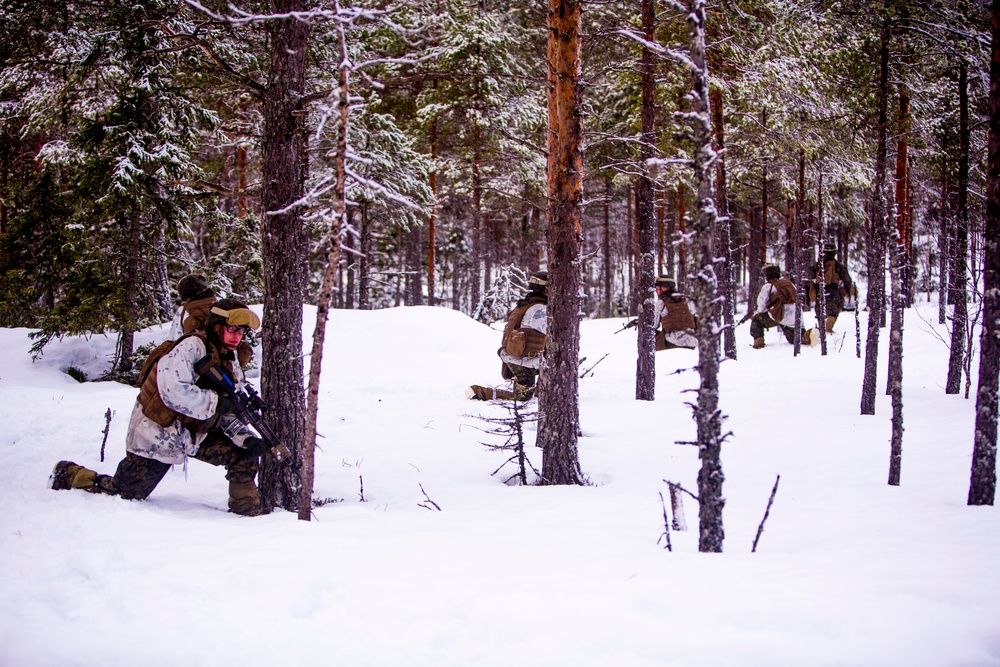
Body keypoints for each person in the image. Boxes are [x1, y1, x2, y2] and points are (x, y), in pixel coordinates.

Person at [49, 299, 272, 516]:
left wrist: (245, 439)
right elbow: (173, 392)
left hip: (196, 433)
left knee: (244, 454)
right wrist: (216, 402)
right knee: (125, 493)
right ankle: (69, 474)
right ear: (216, 327)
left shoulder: (230, 361)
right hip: (158, 433)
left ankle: (247, 513)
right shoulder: (190, 347)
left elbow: (229, 407)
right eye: (232, 328)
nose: (237, 336)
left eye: (241, 331)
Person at [467, 271, 548, 401]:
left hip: (515, 357)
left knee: (526, 390)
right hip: (523, 361)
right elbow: (553, 334)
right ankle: (480, 392)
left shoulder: (526, 304)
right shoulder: (539, 309)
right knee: (522, 397)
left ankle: (541, 392)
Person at [168, 274, 253, 368]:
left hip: (197, 358)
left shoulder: (183, 311)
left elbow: (174, 341)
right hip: (225, 355)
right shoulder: (219, 305)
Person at [748, 264, 814, 349]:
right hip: (795, 316)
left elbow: (761, 306)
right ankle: (809, 335)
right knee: (795, 339)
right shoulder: (788, 283)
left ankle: (758, 345)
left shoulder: (768, 286)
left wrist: (757, 313)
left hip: (779, 315)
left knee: (756, 320)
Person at [809, 242, 854, 333]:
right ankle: (827, 330)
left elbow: (809, 276)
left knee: (819, 311)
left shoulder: (817, 265)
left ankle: (822, 330)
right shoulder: (838, 265)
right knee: (833, 311)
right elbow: (847, 279)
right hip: (833, 290)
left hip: (819, 290)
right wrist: (848, 291)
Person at [652, 276, 697, 350]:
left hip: (671, 343)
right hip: (691, 343)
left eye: (657, 288)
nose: (656, 291)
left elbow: (653, 326)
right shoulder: (687, 300)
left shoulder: (660, 303)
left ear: (664, 288)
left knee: (649, 336)